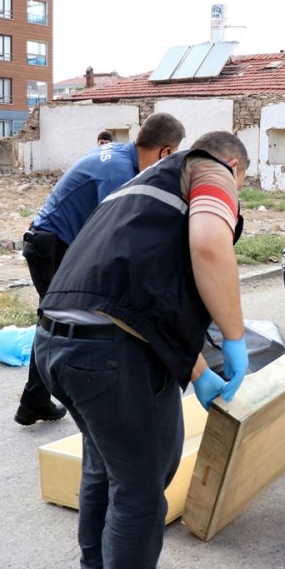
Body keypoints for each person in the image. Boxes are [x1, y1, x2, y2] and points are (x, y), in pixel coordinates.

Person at [34, 131, 250, 569]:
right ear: (236, 166)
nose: (236, 198)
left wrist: (199, 371)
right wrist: (235, 338)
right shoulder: (211, 168)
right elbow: (210, 246)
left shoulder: (138, 188)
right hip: (108, 356)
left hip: (58, 343)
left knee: (105, 472)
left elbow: (140, 300)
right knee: (142, 492)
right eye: (242, 186)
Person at [15, 113, 186, 426]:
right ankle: (44, 398)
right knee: (59, 323)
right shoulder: (118, 176)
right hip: (52, 247)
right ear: (166, 152)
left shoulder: (120, 155)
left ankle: (34, 400)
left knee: (53, 321)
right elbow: (117, 235)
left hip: (51, 243)